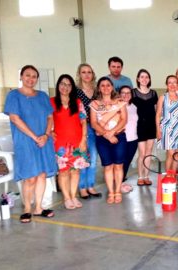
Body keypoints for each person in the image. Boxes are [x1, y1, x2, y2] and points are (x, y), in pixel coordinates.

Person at [4, 65, 58, 223]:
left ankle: (39, 207)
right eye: (27, 75)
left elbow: (49, 117)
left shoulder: (42, 95)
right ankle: (27, 208)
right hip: (26, 141)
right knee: (30, 177)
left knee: (42, 174)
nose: (30, 79)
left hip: (44, 140)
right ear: (21, 76)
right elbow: (15, 118)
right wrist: (36, 137)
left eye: (34, 76)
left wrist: (46, 135)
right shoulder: (13, 95)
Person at [51, 74, 89, 210]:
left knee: (75, 171)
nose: (65, 87)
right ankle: (67, 198)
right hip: (60, 144)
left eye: (68, 84)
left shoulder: (78, 102)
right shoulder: (52, 102)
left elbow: (84, 121)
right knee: (63, 172)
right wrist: (49, 132)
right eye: (62, 84)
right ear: (58, 85)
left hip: (77, 142)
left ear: (72, 87)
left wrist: (84, 139)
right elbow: (46, 120)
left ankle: (74, 196)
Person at [90, 77, 127, 204]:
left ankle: (118, 191)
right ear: (99, 88)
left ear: (112, 87)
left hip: (119, 137)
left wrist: (113, 132)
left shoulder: (120, 102)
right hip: (102, 138)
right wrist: (107, 135)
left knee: (118, 165)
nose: (105, 88)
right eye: (102, 85)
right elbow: (94, 123)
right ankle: (111, 192)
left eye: (108, 85)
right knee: (107, 166)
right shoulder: (94, 104)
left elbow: (124, 120)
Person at [76, 63, 102, 199]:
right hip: (81, 128)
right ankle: (82, 187)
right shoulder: (76, 91)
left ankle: (90, 185)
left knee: (93, 158)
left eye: (89, 72)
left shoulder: (97, 91)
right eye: (84, 72)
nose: (87, 75)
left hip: (95, 127)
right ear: (79, 74)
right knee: (82, 158)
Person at [156, 75, 178, 172]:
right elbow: (157, 114)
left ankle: (173, 175)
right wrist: (158, 130)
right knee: (171, 153)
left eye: (174, 82)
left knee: (177, 154)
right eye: (170, 82)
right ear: (167, 84)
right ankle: (168, 175)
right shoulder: (163, 97)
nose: (172, 85)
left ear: (177, 84)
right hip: (167, 128)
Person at [132, 69, 158, 186]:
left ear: (149, 79)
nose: (144, 79)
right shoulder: (133, 93)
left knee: (148, 153)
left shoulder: (153, 93)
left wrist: (158, 126)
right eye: (142, 77)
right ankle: (140, 176)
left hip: (151, 125)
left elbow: (157, 111)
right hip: (139, 126)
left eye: (146, 77)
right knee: (141, 153)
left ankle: (147, 176)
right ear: (138, 79)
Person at [119, 85, 138, 193]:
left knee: (127, 162)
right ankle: (119, 183)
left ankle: (121, 180)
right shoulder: (116, 106)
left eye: (128, 93)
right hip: (122, 138)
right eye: (123, 92)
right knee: (120, 162)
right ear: (119, 94)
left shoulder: (134, 107)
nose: (126, 95)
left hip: (133, 139)